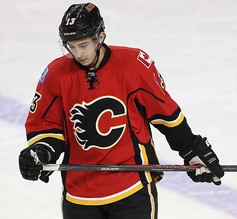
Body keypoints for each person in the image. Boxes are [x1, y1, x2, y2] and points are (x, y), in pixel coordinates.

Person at [18, 2, 224, 219]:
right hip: (79, 194)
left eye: (83, 44)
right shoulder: (55, 74)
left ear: (101, 37)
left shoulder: (133, 66)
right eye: (71, 46)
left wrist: (190, 149)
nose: (78, 53)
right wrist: (41, 152)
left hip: (132, 188)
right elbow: (45, 124)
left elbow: (164, 112)